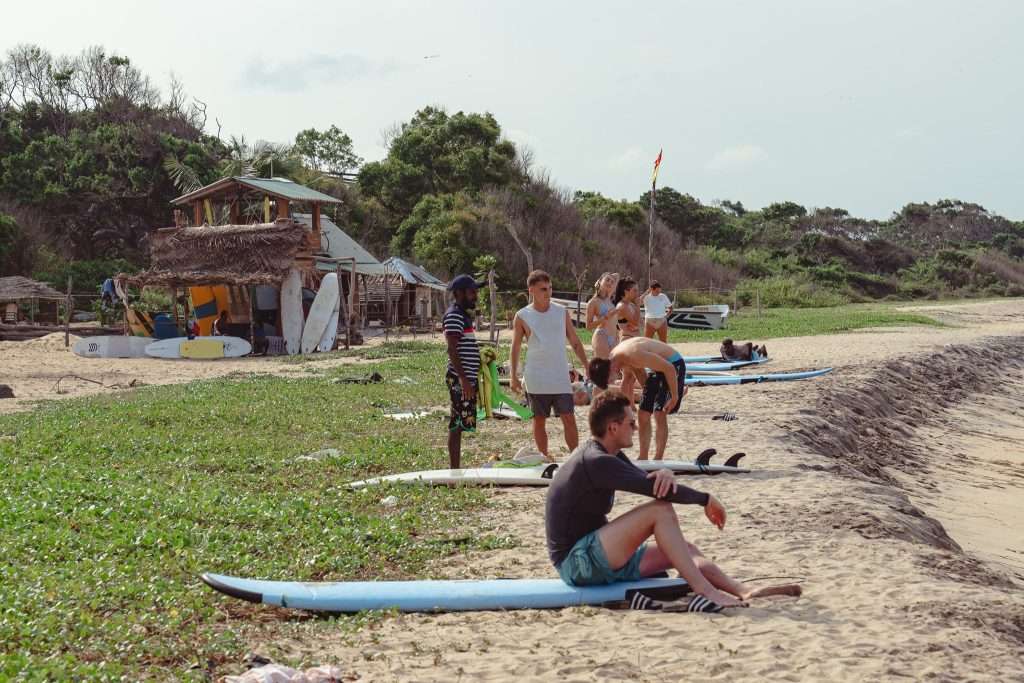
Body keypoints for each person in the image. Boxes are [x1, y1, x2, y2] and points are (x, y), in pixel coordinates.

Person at [545, 390, 801, 609]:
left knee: (684, 549)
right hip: (576, 563)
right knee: (660, 511)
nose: (635, 428)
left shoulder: (608, 455)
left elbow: (652, 481)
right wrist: (705, 499)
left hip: (598, 556)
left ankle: (743, 590)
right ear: (613, 427)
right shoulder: (596, 461)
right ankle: (706, 591)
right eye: (631, 423)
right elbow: (659, 493)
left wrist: (666, 472)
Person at [510, 270, 590, 460]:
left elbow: (575, 340)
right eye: (543, 289)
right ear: (531, 290)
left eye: (550, 288)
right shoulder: (522, 315)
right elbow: (515, 347)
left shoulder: (561, 312)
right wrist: (513, 375)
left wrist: (586, 365)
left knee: (568, 418)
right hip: (536, 376)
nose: (548, 292)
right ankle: (544, 457)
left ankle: (574, 458)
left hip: (560, 375)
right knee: (539, 420)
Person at [588, 336, 684, 460]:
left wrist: (675, 396)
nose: (613, 381)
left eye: (610, 379)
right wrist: (648, 396)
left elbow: (669, 369)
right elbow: (639, 372)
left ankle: (658, 457)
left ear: (611, 369)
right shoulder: (617, 358)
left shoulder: (633, 354)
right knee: (643, 414)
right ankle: (643, 456)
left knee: (659, 412)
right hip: (658, 368)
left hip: (673, 364)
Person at [444, 274, 483, 469]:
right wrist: (464, 379)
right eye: (471, 292)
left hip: (466, 378)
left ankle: (456, 469)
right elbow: (452, 350)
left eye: (475, 292)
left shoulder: (462, 316)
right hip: (460, 379)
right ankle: (454, 470)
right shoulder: (454, 316)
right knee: (457, 422)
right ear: (458, 293)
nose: (475, 296)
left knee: (460, 421)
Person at [585, 273, 619, 359]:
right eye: (607, 280)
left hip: (614, 337)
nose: (610, 283)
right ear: (600, 281)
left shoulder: (609, 299)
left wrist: (609, 278)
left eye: (612, 282)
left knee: (614, 369)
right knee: (603, 368)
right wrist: (604, 318)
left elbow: (617, 275)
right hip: (602, 336)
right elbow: (588, 326)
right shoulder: (593, 302)